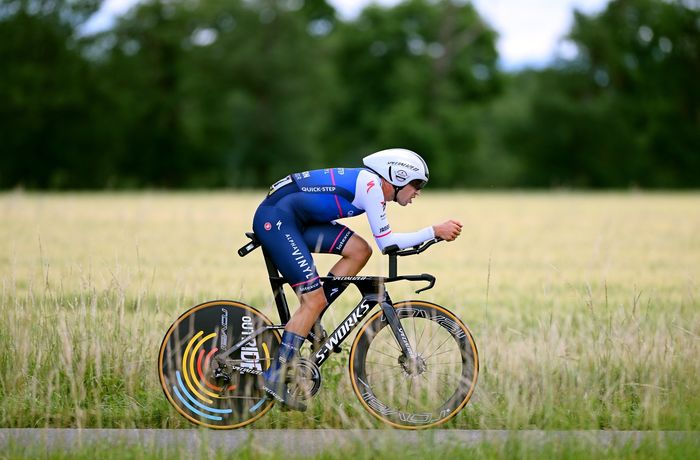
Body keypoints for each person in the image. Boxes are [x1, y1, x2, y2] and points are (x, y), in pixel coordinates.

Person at [251, 148, 462, 410]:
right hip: (278, 219)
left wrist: (432, 236)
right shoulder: (372, 186)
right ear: (397, 176)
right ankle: (275, 375)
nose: (418, 191)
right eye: (416, 184)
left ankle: (313, 315)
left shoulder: (372, 186)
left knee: (360, 250)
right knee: (312, 300)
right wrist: (433, 231)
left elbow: (380, 245)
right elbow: (388, 242)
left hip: (297, 219)